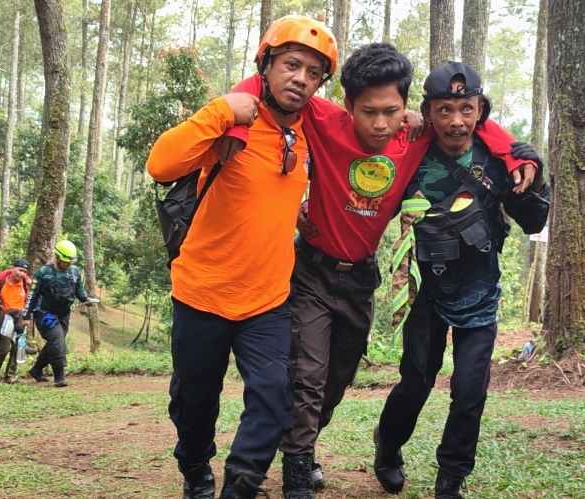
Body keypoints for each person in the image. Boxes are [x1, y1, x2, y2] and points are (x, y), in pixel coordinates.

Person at [225, 44, 538, 499]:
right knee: (308, 378)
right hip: (314, 270)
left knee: (336, 379)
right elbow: (272, 90)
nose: (379, 123)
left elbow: (472, 122)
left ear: (407, 110)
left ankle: (309, 445)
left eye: (391, 111)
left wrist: (517, 155)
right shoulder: (328, 120)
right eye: (368, 111)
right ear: (349, 105)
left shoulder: (416, 135)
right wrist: (235, 103)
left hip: (365, 279)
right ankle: (297, 477)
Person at [147, 15, 339, 499]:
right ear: (266, 64)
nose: (301, 78)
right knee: (193, 402)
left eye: (314, 73)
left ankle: (241, 485)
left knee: (273, 400)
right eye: (292, 64)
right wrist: (220, 111)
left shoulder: (308, 133)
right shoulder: (232, 122)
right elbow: (161, 164)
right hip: (202, 292)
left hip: (267, 300)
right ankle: (195, 471)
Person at [373, 61, 548, 499]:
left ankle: (451, 476)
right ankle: (388, 446)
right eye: (445, 109)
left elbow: (533, 221)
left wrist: (535, 175)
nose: (456, 121)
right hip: (425, 296)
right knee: (416, 383)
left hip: (479, 294)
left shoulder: (500, 159)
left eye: (466, 109)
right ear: (428, 112)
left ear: (480, 110)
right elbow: (370, 209)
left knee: (470, 393)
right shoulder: (409, 154)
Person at [23, 240, 92, 388]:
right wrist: (26, 316)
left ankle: (36, 370)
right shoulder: (43, 273)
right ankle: (59, 376)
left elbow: (79, 289)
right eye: (65, 261)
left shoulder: (74, 271)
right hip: (45, 313)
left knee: (55, 343)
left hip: (64, 314)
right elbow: (32, 295)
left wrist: (86, 299)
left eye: (70, 261)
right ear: (58, 257)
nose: (68, 264)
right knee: (57, 340)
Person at [0, 258, 32, 383]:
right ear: (12, 268)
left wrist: (27, 319)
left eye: (24, 271)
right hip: (5, 319)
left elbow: (29, 302)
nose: (21, 273)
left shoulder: (25, 284)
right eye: (20, 270)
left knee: (17, 348)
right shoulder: (2, 282)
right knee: (3, 349)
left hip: (20, 322)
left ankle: (9, 376)